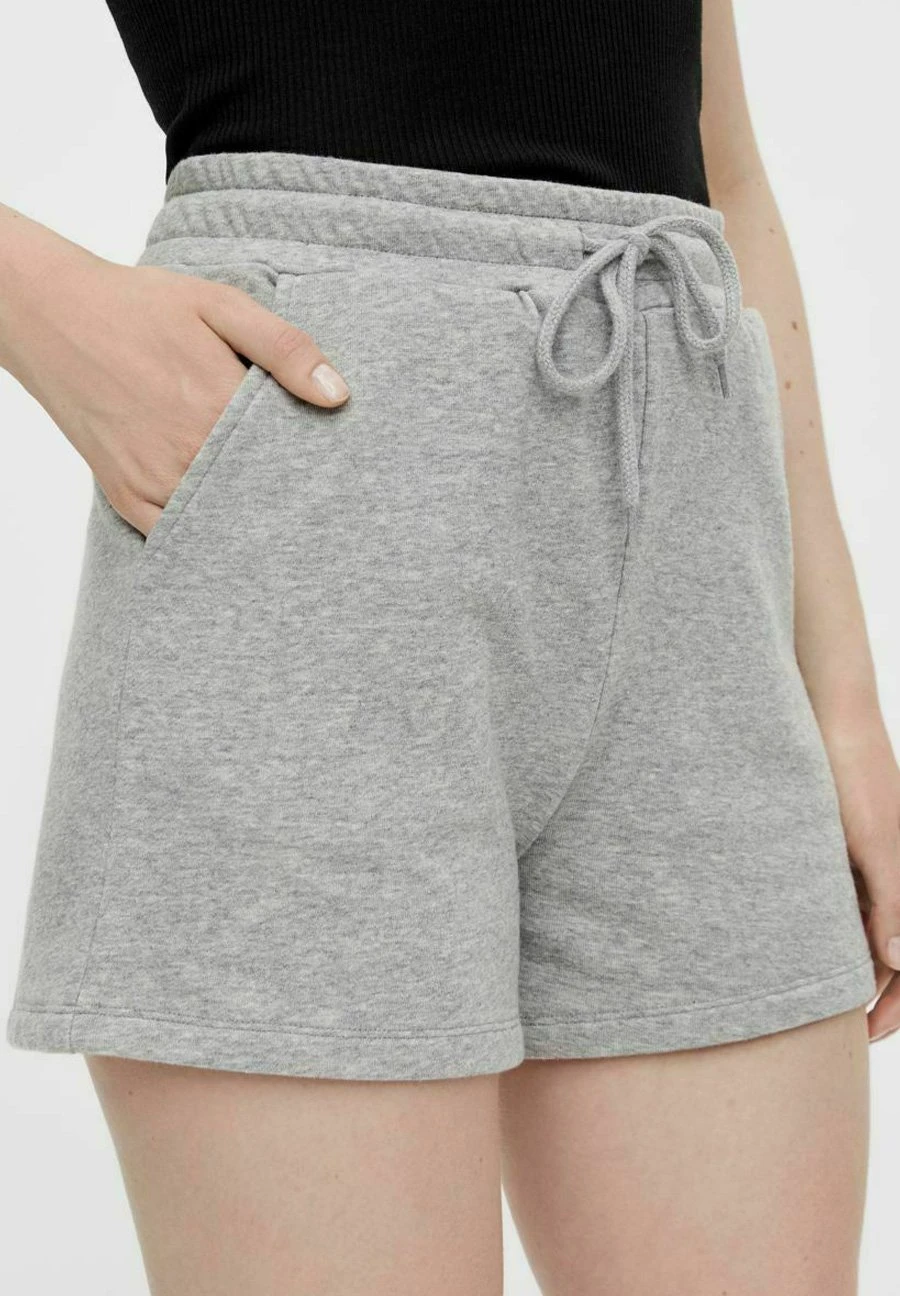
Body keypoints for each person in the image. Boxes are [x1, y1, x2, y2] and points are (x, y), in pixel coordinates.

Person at [3, 1, 897, 1291]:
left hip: (698, 546)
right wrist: (48, 308)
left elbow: (725, 166)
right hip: (313, 499)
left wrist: (845, 701)